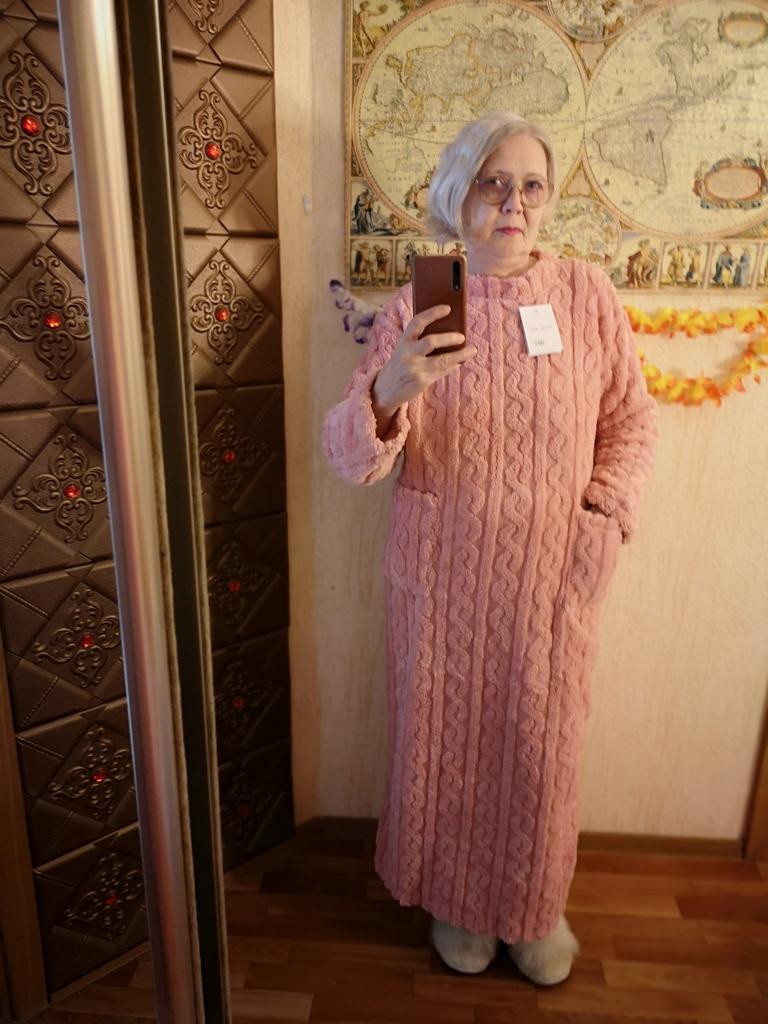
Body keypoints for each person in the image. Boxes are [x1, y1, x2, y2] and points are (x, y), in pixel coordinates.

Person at [322, 112, 658, 986]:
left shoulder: (585, 294)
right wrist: (389, 389)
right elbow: (350, 458)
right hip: (443, 578)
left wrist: (602, 517)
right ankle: (457, 905)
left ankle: (534, 908)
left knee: (541, 749)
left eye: (531, 185)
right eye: (492, 183)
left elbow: (631, 421)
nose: (514, 203)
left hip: (551, 578)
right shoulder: (424, 300)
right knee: (447, 747)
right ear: (458, 193)